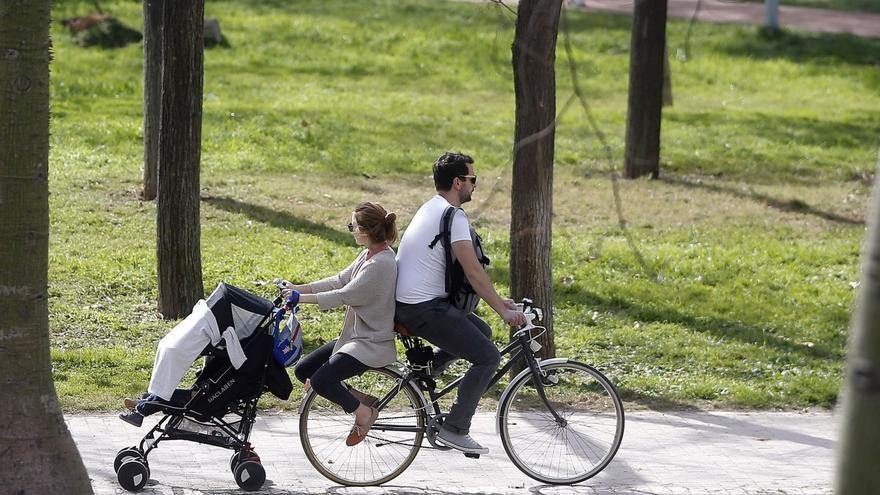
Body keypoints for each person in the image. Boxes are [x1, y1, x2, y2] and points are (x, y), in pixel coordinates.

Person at [394, 152, 526, 455]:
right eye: (472, 179)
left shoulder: (432, 207)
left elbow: (463, 274)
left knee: (481, 332)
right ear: (457, 182)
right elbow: (473, 270)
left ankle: (427, 369)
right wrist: (503, 311)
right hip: (422, 308)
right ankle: (456, 428)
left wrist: (500, 301)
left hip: (414, 304)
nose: (474, 186)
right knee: (488, 357)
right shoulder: (454, 216)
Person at [285, 202, 399, 447]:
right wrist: (296, 288)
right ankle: (361, 399)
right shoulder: (369, 254)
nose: (351, 230)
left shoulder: (381, 264)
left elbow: (344, 295)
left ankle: (363, 413)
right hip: (355, 338)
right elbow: (338, 280)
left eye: (352, 226)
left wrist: (300, 299)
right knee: (304, 370)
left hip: (371, 342)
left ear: (366, 231)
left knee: (321, 380)